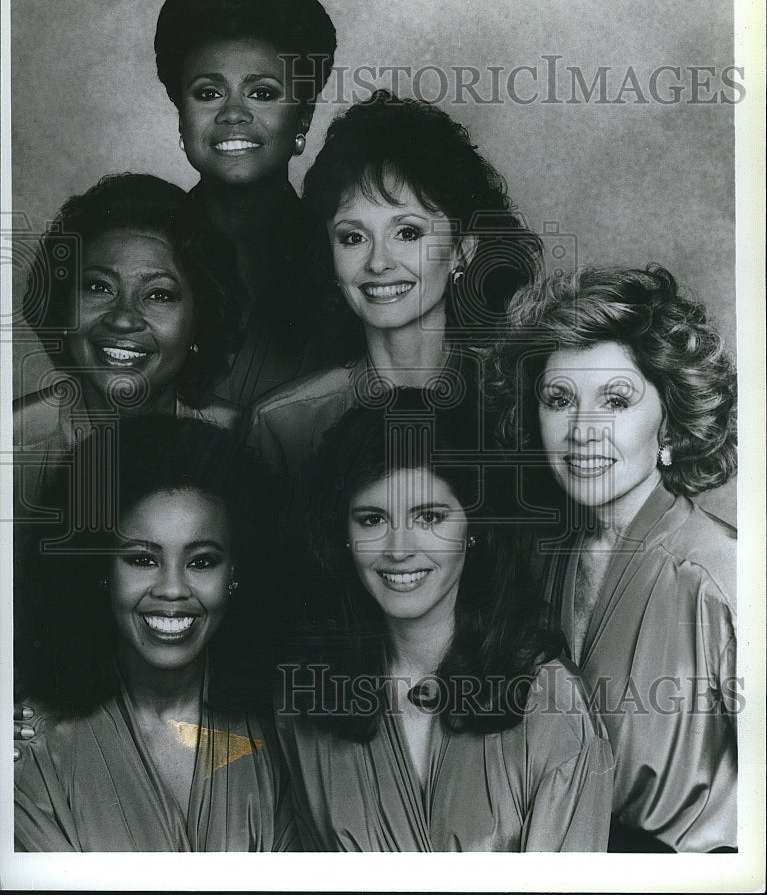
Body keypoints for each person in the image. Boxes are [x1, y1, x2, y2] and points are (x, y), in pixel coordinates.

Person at [274, 398, 615, 851]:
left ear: (474, 526)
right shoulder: (304, 702)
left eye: (429, 517)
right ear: (343, 534)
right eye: (373, 519)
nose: (399, 549)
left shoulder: (554, 706)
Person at [487, 264, 738, 852]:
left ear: (670, 420)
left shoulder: (720, 573)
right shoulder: (540, 563)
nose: (583, 431)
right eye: (559, 400)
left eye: (616, 400)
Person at [14, 415, 296, 851]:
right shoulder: (31, 748)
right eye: (142, 560)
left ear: (237, 572)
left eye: (202, 561)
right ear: (101, 570)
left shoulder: (285, 734)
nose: (172, 589)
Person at [249, 89, 542, 500]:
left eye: (407, 233)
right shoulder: (285, 425)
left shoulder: (521, 403)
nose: (378, 262)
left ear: (463, 248)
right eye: (353, 238)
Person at [154, 0, 339, 403]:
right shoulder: (142, 246)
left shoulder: (348, 251)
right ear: (182, 116)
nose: (233, 113)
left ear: (304, 118)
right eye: (207, 93)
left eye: (262, 93)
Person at [13, 173, 244, 515]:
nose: (123, 318)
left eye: (159, 294)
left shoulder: (243, 440)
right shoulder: (11, 445)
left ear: (200, 322)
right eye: (99, 287)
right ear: (63, 305)